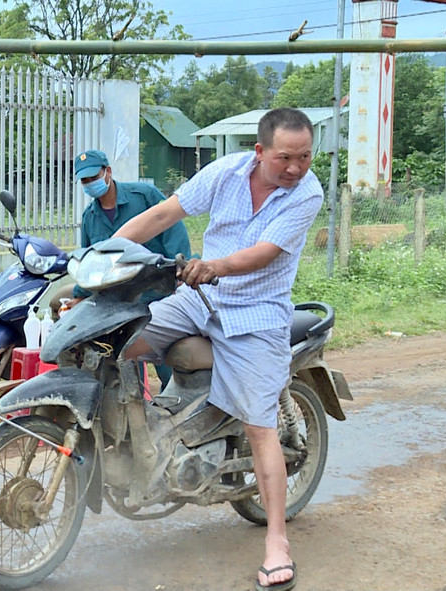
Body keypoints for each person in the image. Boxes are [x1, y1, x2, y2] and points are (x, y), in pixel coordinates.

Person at [114, 108, 323, 591]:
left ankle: (277, 542)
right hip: (198, 300)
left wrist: (215, 266)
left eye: (305, 157)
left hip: (257, 314)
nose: (295, 167)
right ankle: (143, 444)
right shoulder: (226, 171)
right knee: (119, 344)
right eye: (285, 157)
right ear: (260, 151)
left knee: (259, 426)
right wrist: (103, 252)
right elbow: (164, 214)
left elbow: (264, 253)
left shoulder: (306, 194)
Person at [52, 149, 191, 389]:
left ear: (108, 172)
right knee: (122, 362)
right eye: (85, 181)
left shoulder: (144, 196)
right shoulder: (90, 217)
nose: (90, 184)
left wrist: (179, 274)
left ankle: (173, 401)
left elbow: (172, 230)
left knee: (168, 361)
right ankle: (134, 405)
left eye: (94, 177)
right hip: (119, 301)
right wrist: (79, 296)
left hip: (159, 293)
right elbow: (92, 261)